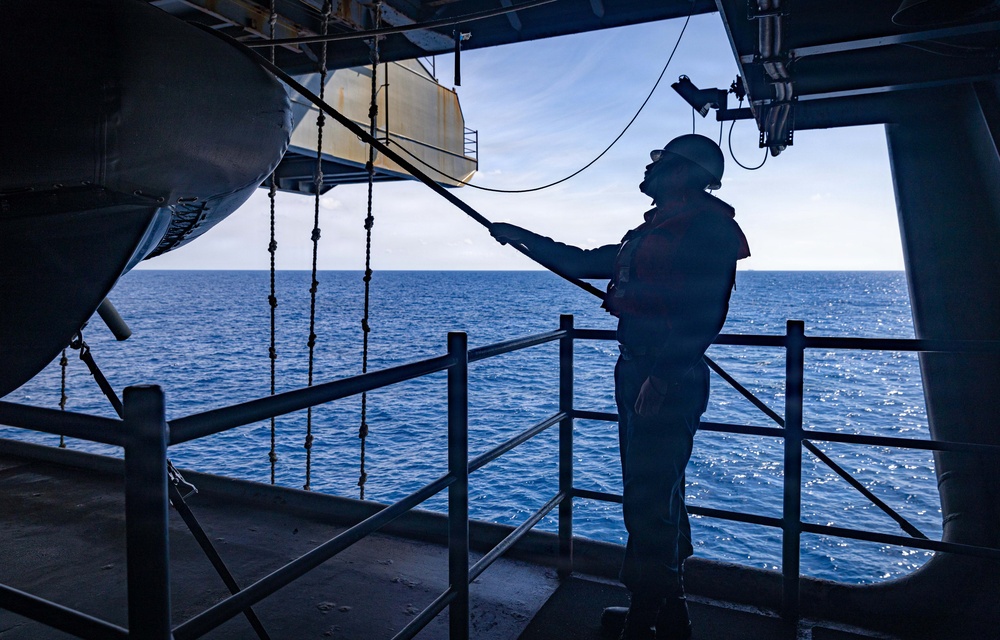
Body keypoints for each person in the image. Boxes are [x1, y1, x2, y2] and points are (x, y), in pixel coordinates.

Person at [490, 134, 750, 640]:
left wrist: (662, 376)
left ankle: (642, 622)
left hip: (663, 376)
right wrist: (518, 235)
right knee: (659, 495)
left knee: (648, 500)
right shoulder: (652, 232)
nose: (649, 168)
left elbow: (705, 314)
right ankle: (670, 617)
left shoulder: (708, 231)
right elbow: (585, 260)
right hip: (641, 370)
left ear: (683, 173)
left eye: (660, 162)